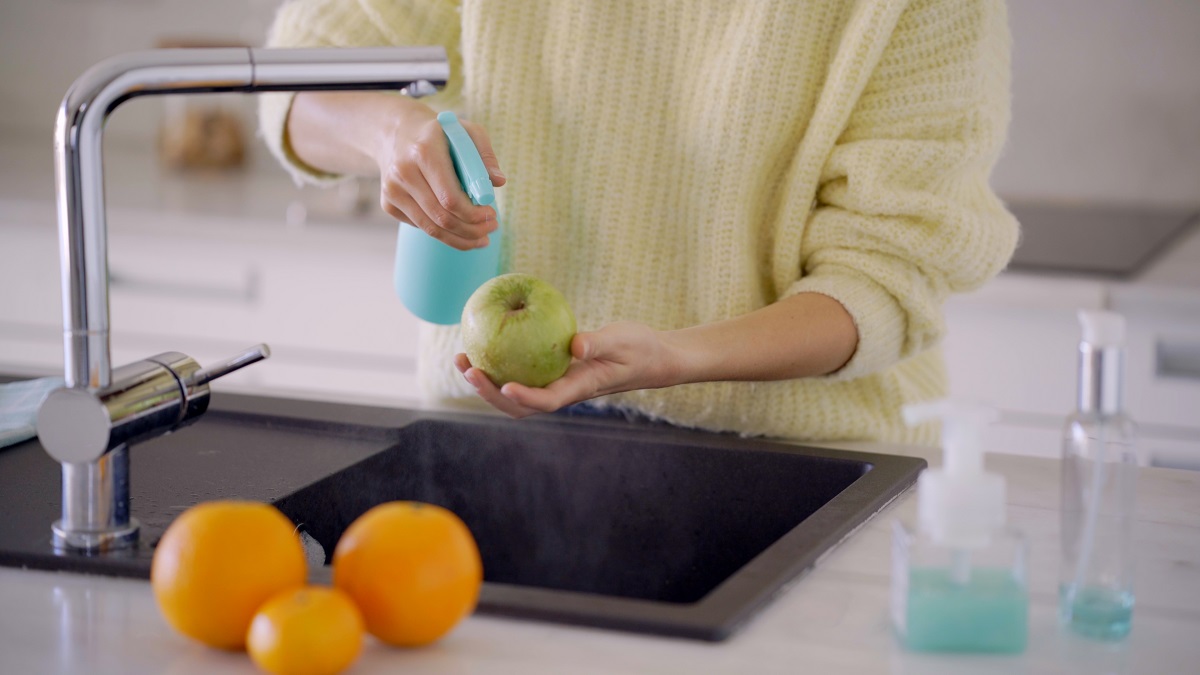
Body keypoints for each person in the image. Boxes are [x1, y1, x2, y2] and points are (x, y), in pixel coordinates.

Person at [259, 0, 1019, 445]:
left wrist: (675, 356)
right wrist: (390, 131)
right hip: (496, 441)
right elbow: (297, 81)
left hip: (809, 465)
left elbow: (883, 285)